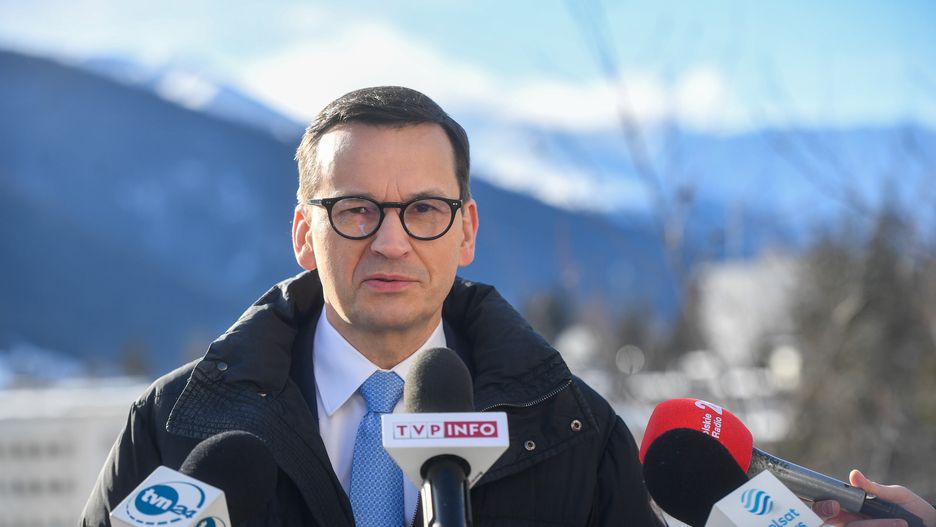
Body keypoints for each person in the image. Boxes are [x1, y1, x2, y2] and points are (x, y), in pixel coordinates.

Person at [80, 86, 666, 526]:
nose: (391, 242)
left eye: (424, 210)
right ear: (304, 235)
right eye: (356, 210)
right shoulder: (172, 426)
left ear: (466, 231)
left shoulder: (571, 430)